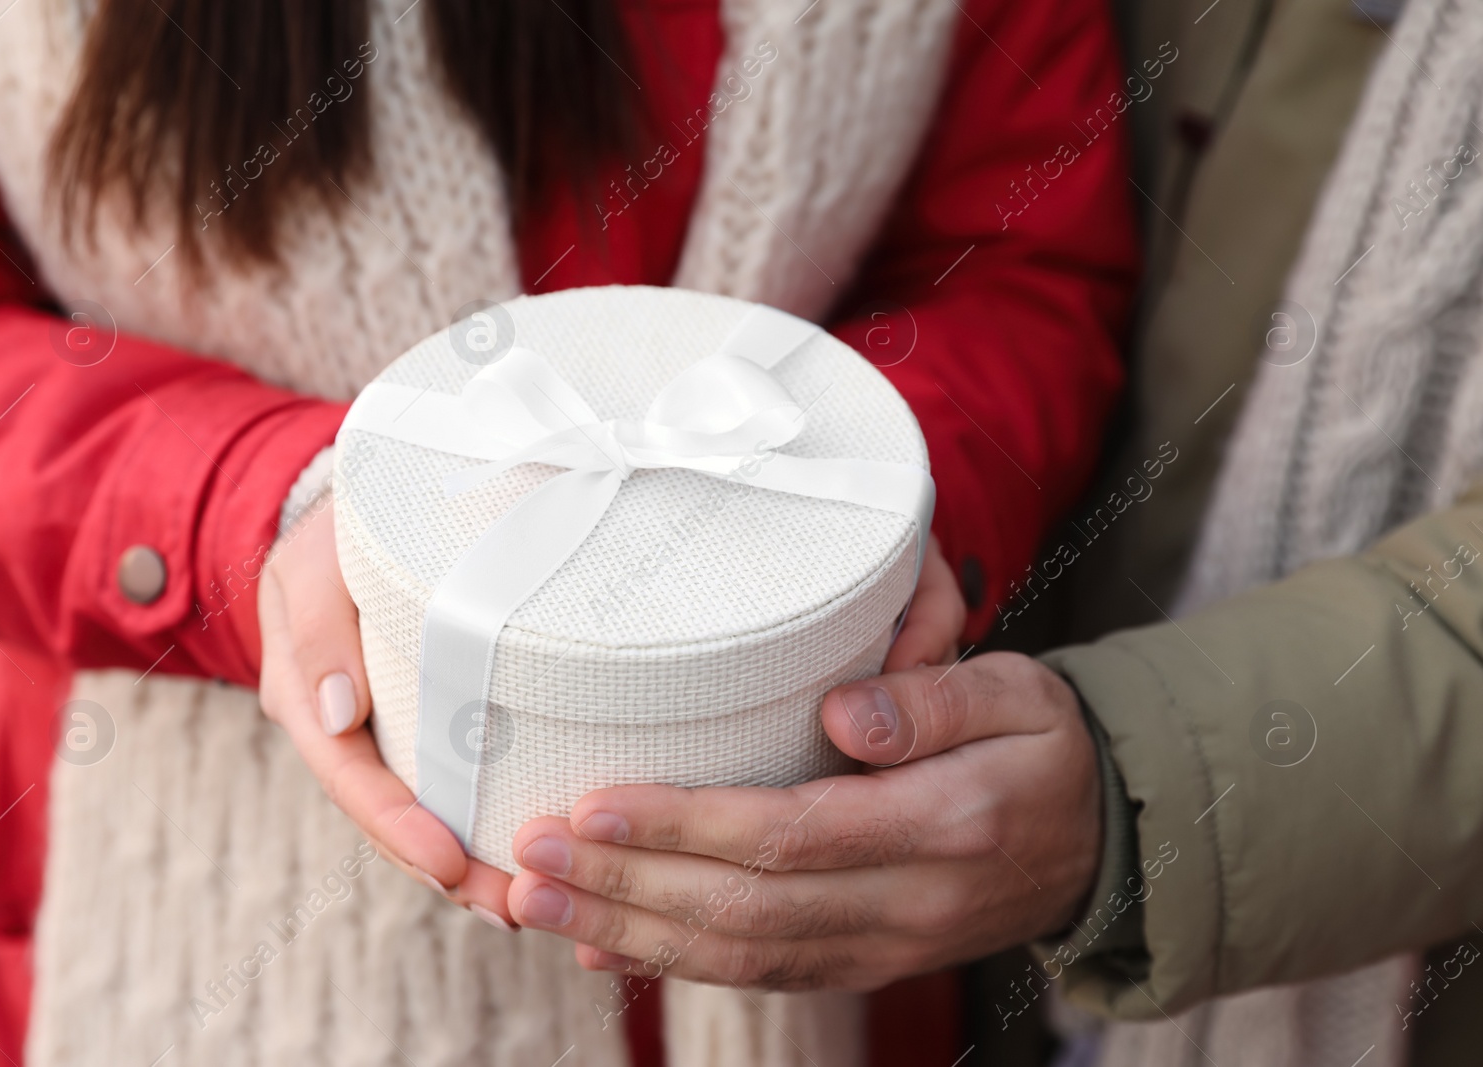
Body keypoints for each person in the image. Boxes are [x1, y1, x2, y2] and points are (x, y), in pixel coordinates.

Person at [0, 0, 1136, 1064]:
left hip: (807, 894)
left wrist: (881, 510)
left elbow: (1015, 260)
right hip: (191, 906)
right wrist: (249, 505)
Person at [514, 2, 1483, 1066]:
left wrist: (1130, 798)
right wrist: (308, 492)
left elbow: (1017, 255)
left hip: (1299, 943)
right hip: (962, 853)